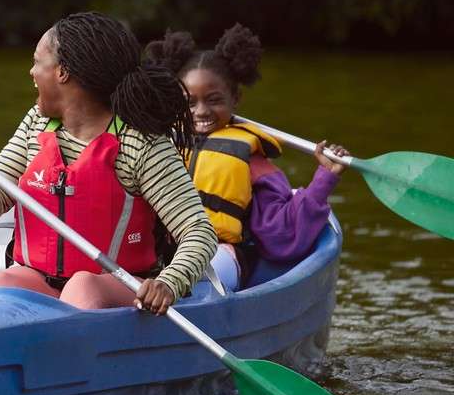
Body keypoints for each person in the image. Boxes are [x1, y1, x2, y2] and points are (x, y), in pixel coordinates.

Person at [0, 12, 217, 314]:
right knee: (2, 282)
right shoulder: (37, 124)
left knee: (82, 287)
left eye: (38, 62)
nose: (31, 72)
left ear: (62, 72)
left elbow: (199, 232)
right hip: (42, 282)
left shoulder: (140, 144)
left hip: (120, 289)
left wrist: (168, 283)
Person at [145, 24, 349, 291]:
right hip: (163, 257)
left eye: (214, 100)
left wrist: (324, 179)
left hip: (218, 257)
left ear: (236, 98)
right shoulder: (161, 148)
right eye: (190, 101)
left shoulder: (250, 161)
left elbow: (282, 233)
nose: (201, 111)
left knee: (198, 277)